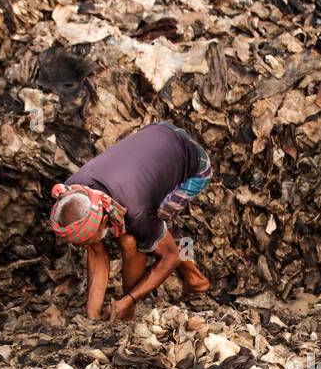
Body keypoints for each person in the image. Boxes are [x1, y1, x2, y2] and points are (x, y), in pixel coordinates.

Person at [49, 122, 212, 321]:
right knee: (133, 238)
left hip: (194, 164)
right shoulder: (74, 192)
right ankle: (195, 278)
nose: (89, 246)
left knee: (162, 224)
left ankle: (196, 279)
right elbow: (96, 251)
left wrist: (127, 301)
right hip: (156, 137)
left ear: (104, 220)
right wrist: (92, 315)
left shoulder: (136, 211)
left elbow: (171, 257)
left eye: (89, 240)